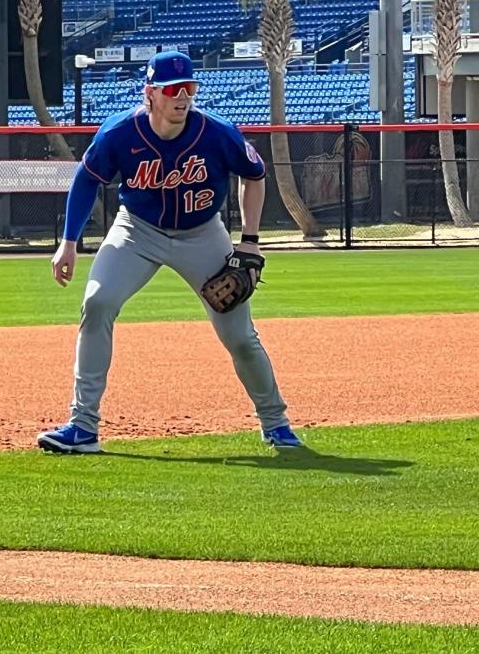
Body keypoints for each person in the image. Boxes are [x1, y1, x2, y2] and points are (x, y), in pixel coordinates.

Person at [39, 50, 301, 454]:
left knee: (240, 337)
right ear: (151, 94)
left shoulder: (215, 132)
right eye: (174, 89)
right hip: (137, 230)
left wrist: (249, 241)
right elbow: (86, 179)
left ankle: (276, 423)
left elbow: (255, 175)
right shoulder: (120, 133)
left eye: (190, 88)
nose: (183, 96)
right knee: (97, 301)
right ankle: (83, 426)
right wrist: (69, 242)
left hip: (202, 233)